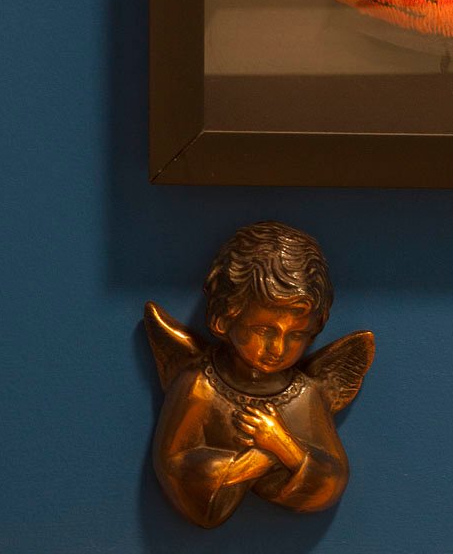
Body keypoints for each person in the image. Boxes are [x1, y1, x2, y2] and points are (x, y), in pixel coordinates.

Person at [145, 222, 374, 528]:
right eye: (264, 330)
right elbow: (176, 465)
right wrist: (252, 464)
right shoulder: (201, 385)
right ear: (225, 318)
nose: (278, 349)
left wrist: (282, 445)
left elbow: (332, 479)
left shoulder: (304, 395)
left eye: (297, 335)